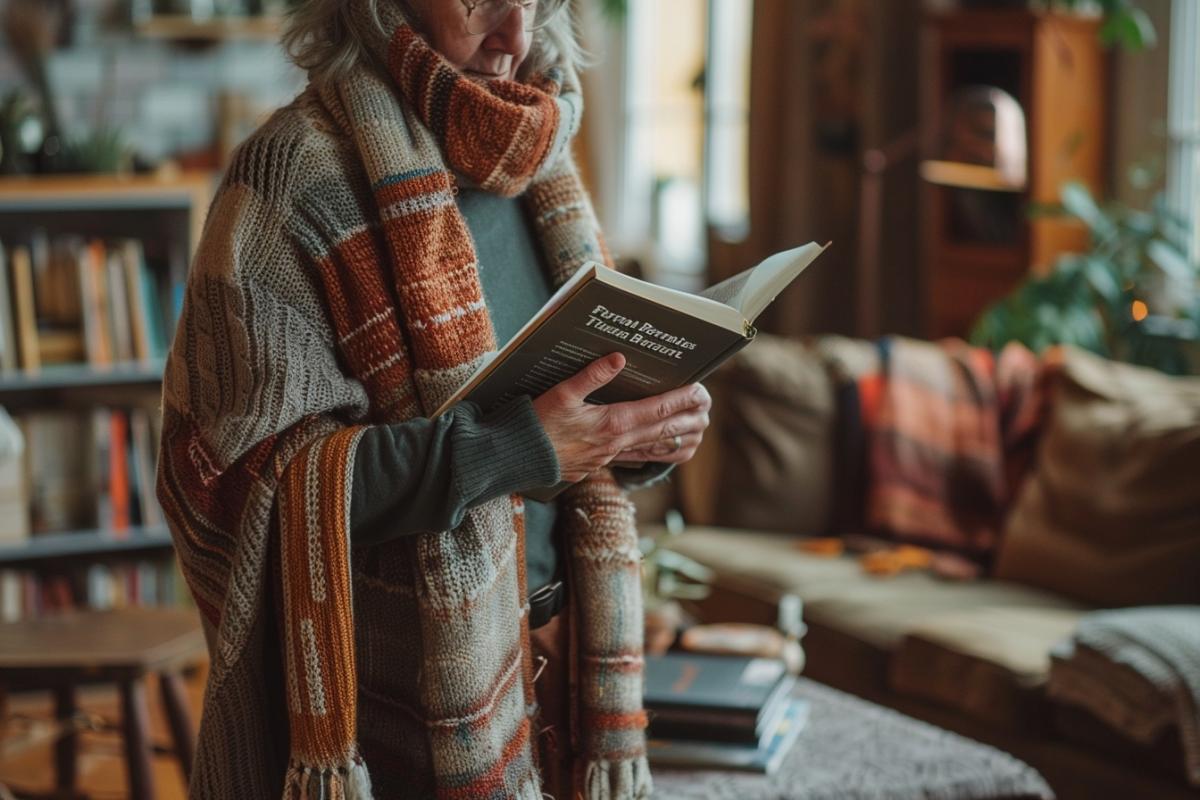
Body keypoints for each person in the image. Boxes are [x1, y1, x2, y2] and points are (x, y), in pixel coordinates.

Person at [156, 1, 711, 798]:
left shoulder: (539, 162)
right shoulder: (291, 179)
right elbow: (238, 485)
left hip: (564, 661)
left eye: (536, 1)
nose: (514, 36)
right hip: (394, 698)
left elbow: (564, 424)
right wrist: (514, 448)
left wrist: (638, 428)